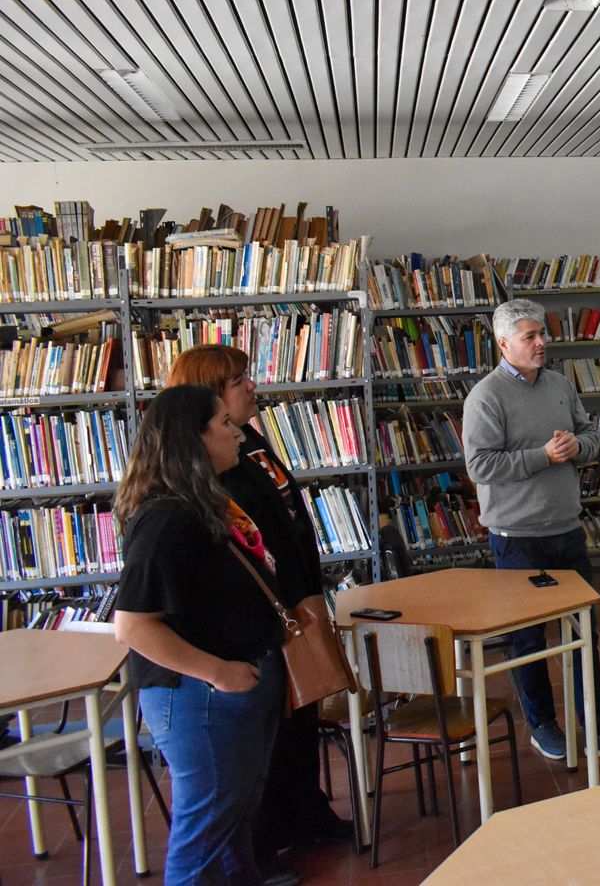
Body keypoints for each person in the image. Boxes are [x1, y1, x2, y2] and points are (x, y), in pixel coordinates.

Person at [167, 345, 351, 883]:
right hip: (260, 616)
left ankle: (306, 812)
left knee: (302, 718)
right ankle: (261, 846)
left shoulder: (252, 438)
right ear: (208, 396)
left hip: (295, 601)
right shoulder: (209, 465)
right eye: (238, 380)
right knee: (265, 738)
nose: (252, 385)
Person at [462, 298, 600, 761]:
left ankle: (599, 728)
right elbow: (480, 466)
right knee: (527, 640)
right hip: (516, 537)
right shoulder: (485, 397)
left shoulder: (561, 386)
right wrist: (542, 456)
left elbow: (590, 434)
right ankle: (542, 725)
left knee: (584, 631)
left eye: (542, 333)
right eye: (530, 336)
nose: (542, 342)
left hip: (566, 528)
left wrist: (579, 447)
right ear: (503, 343)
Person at [114, 386, 287, 885]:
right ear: (192, 440)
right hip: (202, 694)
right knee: (205, 827)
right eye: (222, 424)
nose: (236, 431)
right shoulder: (167, 517)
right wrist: (219, 673)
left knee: (233, 815)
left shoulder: (204, 500)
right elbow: (133, 625)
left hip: (236, 680)